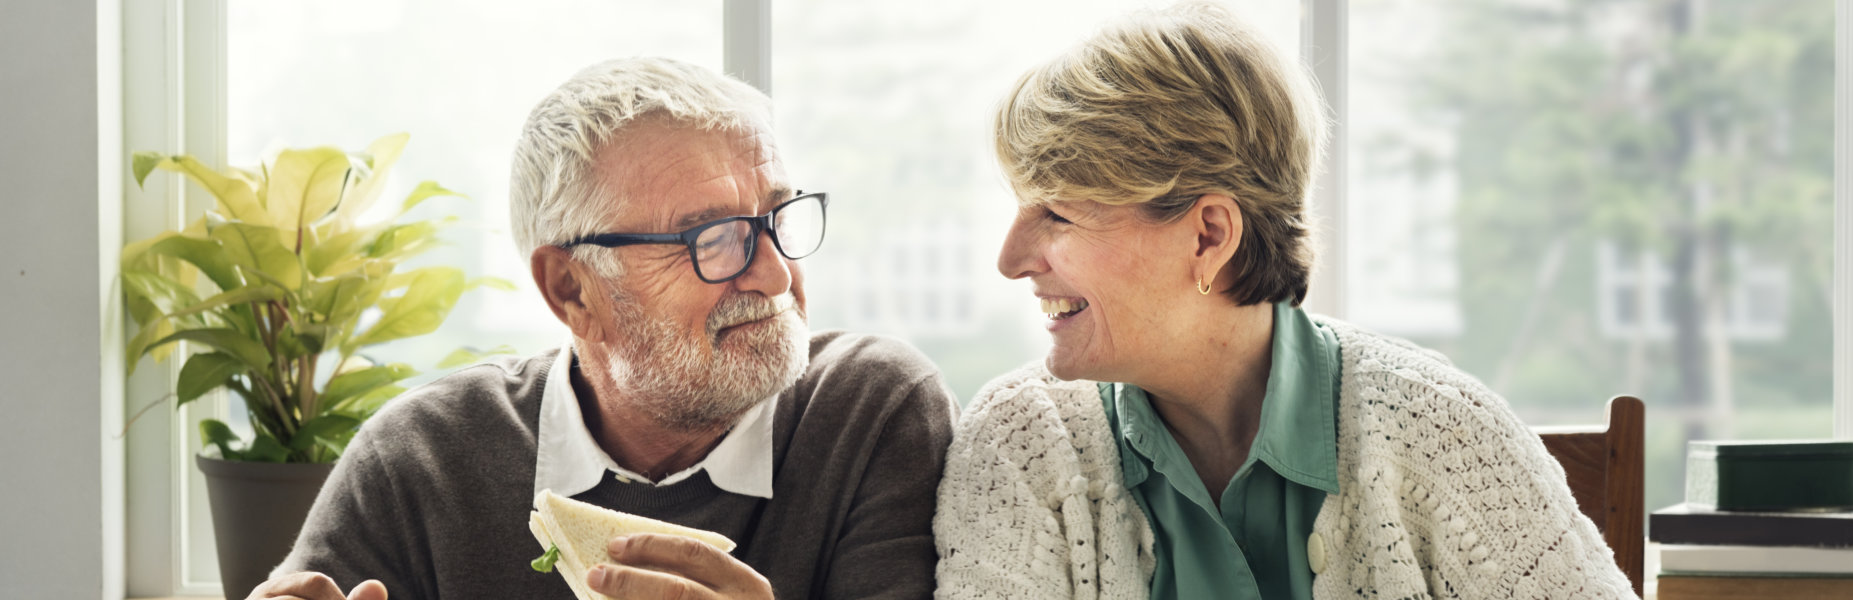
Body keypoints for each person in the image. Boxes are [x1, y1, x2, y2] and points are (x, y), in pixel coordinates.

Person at [932, 4, 1636, 599]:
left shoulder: (1446, 432)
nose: (1011, 259)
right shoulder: (1021, 447)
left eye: (1056, 213)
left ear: (1208, 235)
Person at [251, 57, 956, 600]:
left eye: (776, 217)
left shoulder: (872, 413)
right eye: (713, 238)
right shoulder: (421, 461)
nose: (774, 276)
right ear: (571, 290)